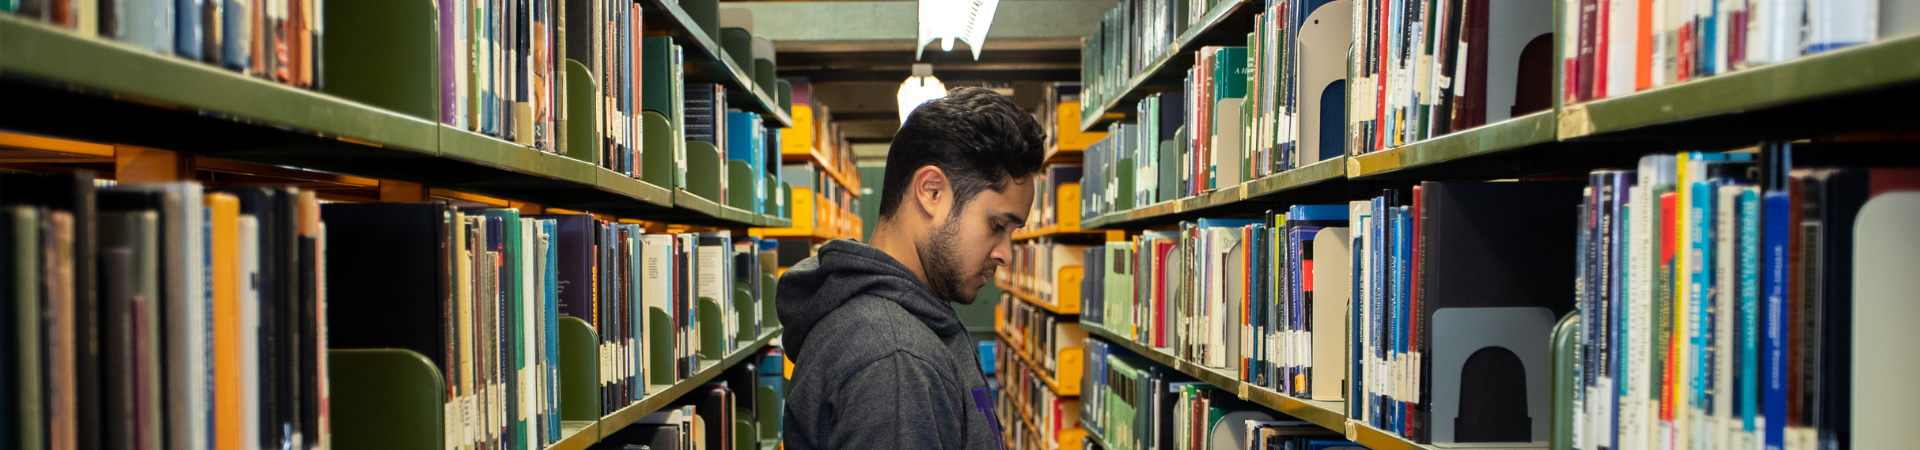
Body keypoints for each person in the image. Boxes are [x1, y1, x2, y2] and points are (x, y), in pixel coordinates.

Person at [776, 86, 1044, 450]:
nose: (1006, 255)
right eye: (997, 225)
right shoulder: (895, 362)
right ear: (931, 191)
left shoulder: (903, 323)